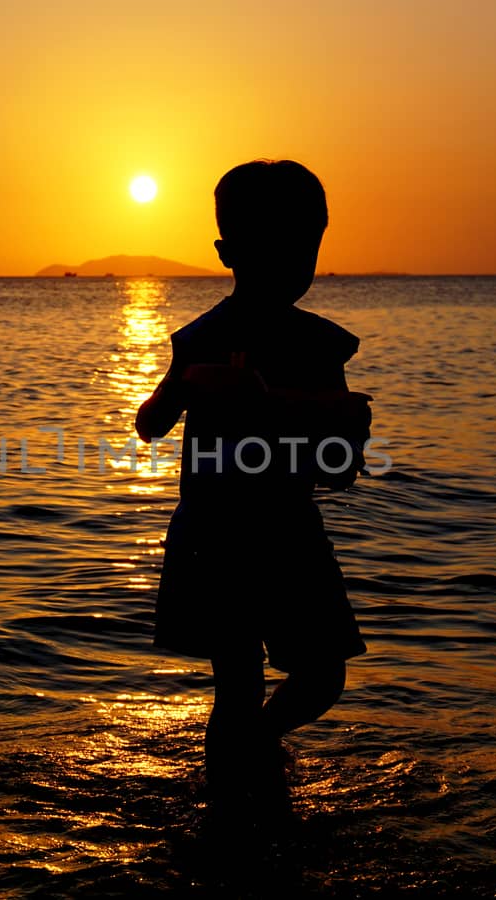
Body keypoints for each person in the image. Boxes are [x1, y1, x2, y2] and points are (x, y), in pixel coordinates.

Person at [135, 159, 372, 822]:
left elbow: (339, 461)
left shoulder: (318, 343)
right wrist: (179, 388)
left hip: (289, 533)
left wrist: (290, 409)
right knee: (236, 685)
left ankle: (257, 748)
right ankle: (232, 807)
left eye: (306, 245)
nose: (296, 262)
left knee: (323, 673)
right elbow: (150, 426)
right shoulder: (201, 339)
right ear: (229, 253)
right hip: (214, 538)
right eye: (279, 246)